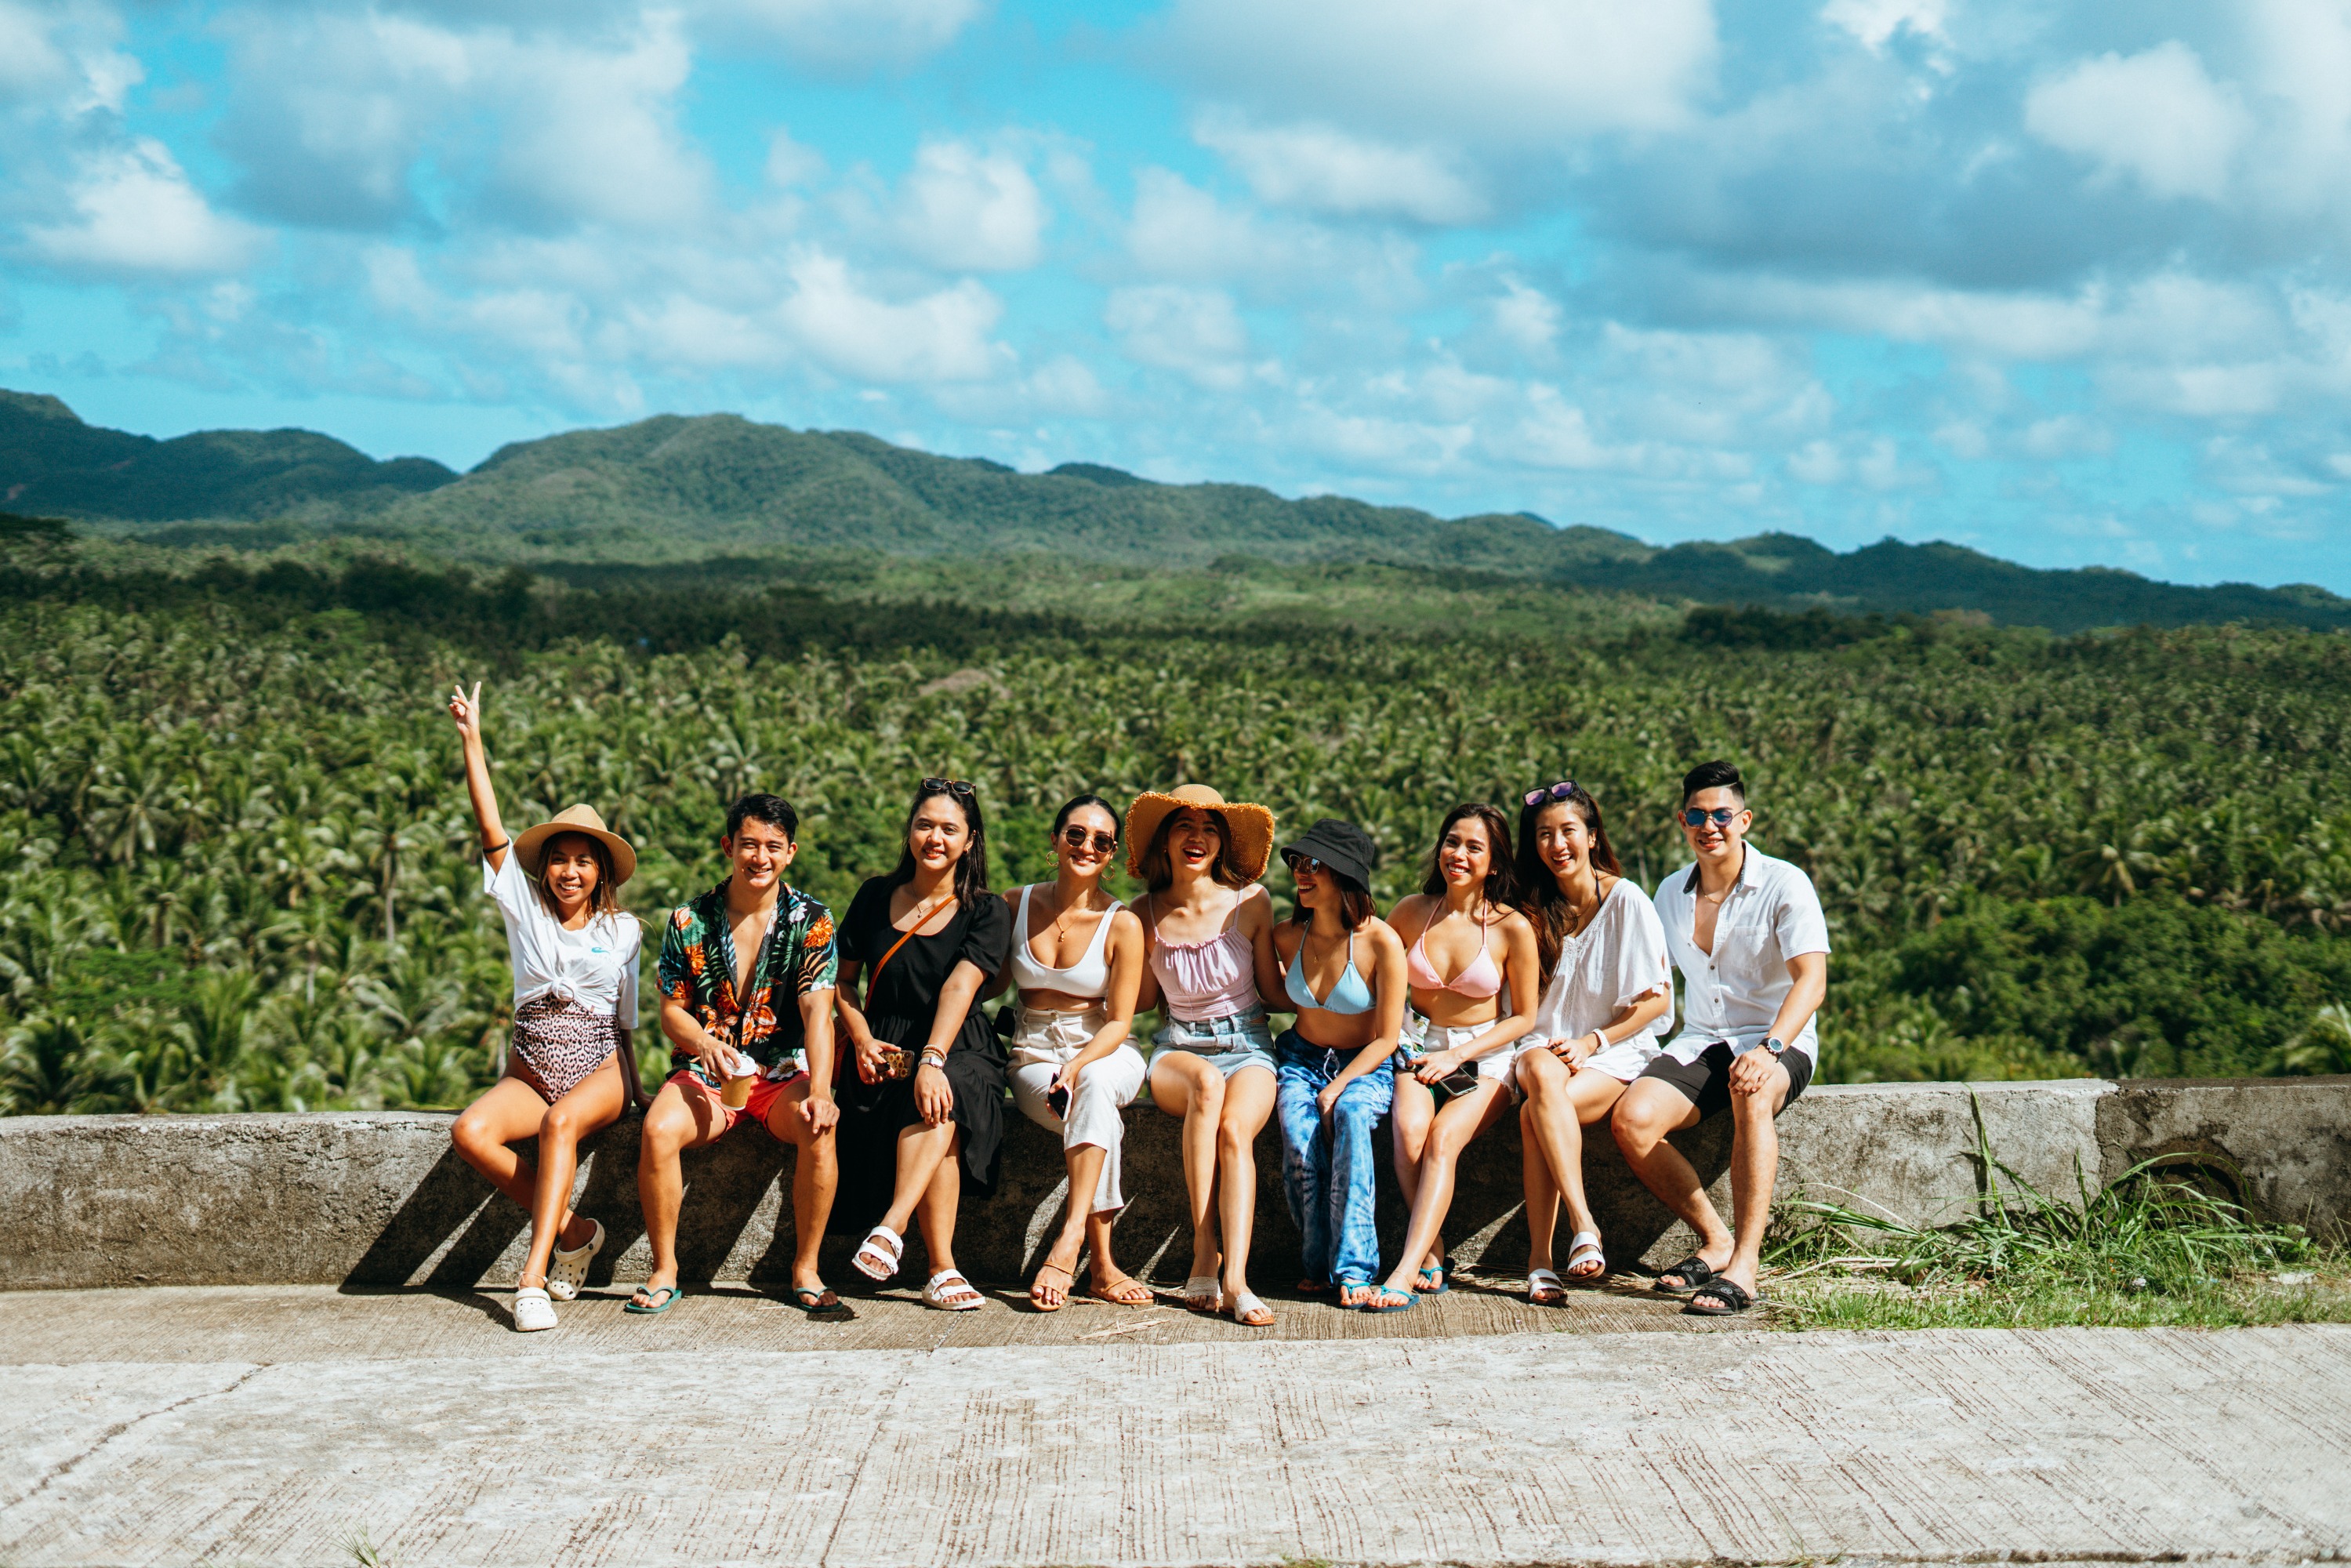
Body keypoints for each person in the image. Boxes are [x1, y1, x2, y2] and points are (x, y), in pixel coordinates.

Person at [446, 681, 644, 1333]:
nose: (569, 871)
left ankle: (531, 1279)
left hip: (599, 1067)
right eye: (558, 860)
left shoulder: (627, 931)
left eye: (583, 862)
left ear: (601, 873)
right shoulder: (522, 910)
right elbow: (490, 827)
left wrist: (634, 1090)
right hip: (531, 1065)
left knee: (562, 1125)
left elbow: (625, 1019)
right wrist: (473, 740)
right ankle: (576, 1229)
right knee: (470, 1132)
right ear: (543, 870)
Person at [1611, 760, 1830, 1317]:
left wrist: (1770, 1049)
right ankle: (1716, 1240)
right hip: (1703, 1038)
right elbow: (1643, 978)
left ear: (1744, 820)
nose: (1709, 826)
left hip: (1779, 1037)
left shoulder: (1784, 883)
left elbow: (1811, 981)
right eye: (1696, 816)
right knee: (1630, 1121)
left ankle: (1745, 1266)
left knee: (1750, 1093)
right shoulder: (1667, 894)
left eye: (1721, 815)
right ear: (1681, 822)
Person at [632, 793, 847, 1319]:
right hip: (708, 1074)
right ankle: (664, 1269)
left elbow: (819, 1013)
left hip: (778, 1075)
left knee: (819, 1127)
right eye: (749, 844)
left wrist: (820, 1091)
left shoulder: (811, 920)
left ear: (790, 852)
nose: (760, 857)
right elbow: (671, 1013)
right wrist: (705, 1044)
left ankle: (806, 1268)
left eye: (773, 847)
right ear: (728, 846)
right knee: (658, 1131)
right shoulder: (689, 920)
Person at [834, 778, 1014, 1312]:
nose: (934, 837)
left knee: (945, 1093)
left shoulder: (986, 910)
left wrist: (932, 1060)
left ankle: (891, 1227)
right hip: (883, 1041)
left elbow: (961, 986)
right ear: (910, 831)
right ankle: (941, 1269)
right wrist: (862, 1038)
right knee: (942, 1119)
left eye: (949, 829)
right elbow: (843, 982)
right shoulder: (872, 895)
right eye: (924, 825)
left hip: (958, 1039)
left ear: (969, 840)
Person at [1366, 805, 1539, 1313]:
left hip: (1484, 1054)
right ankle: (1434, 1253)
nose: (1457, 855)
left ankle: (1403, 1269)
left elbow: (1523, 1017)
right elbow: (1382, 981)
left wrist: (1461, 1053)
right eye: (1451, 841)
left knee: (1443, 1140)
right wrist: (1400, 1035)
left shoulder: (1511, 928)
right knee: (1410, 1135)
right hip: (1419, 1047)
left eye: (1473, 847)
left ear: (1493, 862)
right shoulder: (1410, 911)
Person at [1510, 779, 1674, 1302]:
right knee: (1538, 1071)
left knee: (1533, 1113)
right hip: (1542, 1049)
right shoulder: (1530, 908)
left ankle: (1540, 1261)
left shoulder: (1625, 900)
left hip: (1612, 1052)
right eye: (1543, 835)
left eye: (1567, 832)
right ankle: (1583, 1224)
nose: (1557, 845)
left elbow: (1656, 1002)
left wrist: (1592, 1041)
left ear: (1592, 836)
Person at [1127, 783, 1285, 1327]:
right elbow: (1141, 1002)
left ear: (1222, 843)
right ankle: (1202, 1248)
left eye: (1209, 828)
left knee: (1235, 1132)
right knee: (1205, 1086)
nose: (1197, 838)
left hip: (1247, 1044)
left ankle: (1235, 1278)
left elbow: (1274, 990)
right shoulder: (1141, 912)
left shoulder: (1251, 902)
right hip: (1178, 1049)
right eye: (1183, 826)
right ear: (1165, 840)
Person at [996, 793, 1152, 1312]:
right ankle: (1104, 1268)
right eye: (1076, 835)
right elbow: (982, 981)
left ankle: (1068, 1242)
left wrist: (1080, 1063)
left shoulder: (1122, 922)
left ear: (1111, 855)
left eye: (1102, 842)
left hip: (1106, 1052)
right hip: (1034, 1056)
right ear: (1055, 840)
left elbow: (1121, 1021)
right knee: (1097, 1112)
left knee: (1093, 1087)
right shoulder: (1014, 904)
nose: (1087, 847)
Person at [1268, 819, 1409, 1312]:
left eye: (1314, 865)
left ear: (1345, 876)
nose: (1301, 874)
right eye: (1297, 864)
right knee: (1299, 1139)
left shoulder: (1381, 942)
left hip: (1365, 1063)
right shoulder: (1286, 937)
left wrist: (1341, 1084)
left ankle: (1354, 1268)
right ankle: (1315, 1263)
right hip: (1301, 1058)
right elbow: (1262, 995)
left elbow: (1387, 1038)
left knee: (1350, 1117)